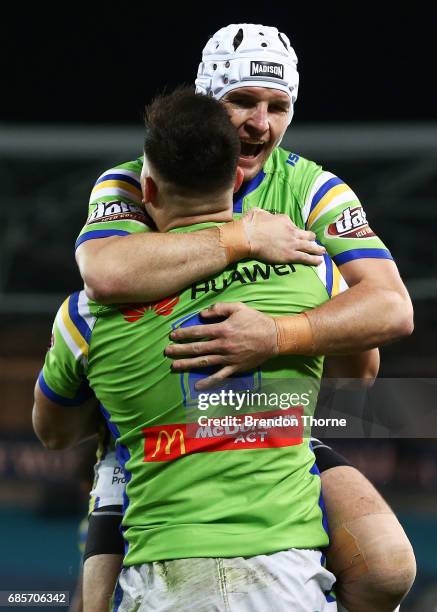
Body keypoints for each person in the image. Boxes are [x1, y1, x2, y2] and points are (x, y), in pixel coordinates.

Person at [72, 23, 415, 612]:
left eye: (278, 106)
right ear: (208, 99)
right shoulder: (138, 176)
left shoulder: (312, 188)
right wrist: (242, 239)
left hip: (268, 422)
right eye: (243, 102)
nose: (262, 123)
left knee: (386, 568)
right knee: (93, 602)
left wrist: (279, 334)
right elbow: (104, 271)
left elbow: (390, 307)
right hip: (156, 430)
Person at [35, 87, 346, 611]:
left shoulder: (82, 317)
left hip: (163, 579)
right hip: (288, 578)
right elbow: (365, 363)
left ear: (148, 190)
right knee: (386, 568)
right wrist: (280, 343)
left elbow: (54, 432)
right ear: (239, 180)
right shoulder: (310, 269)